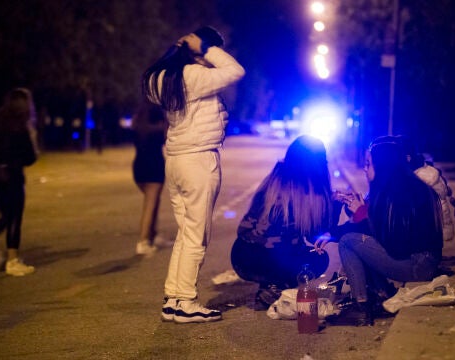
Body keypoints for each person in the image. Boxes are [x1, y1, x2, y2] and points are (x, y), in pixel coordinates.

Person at [142, 26, 245, 323]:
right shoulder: (194, 76)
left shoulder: (163, 78)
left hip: (175, 161)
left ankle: (173, 298)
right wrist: (205, 48)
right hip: (198, 161)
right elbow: (235, 70)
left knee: (185, 234)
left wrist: (191, 49)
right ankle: (186, 301)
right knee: (197, 236)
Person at [315, 140, 443, 326]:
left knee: (348, 242)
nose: (364, 170)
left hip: (418, 264)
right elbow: (378, 232)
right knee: (353, 240)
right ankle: (381, 292)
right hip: (421, 260)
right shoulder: (399, 186)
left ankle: (360, 307)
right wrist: (333, 232)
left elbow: (393, 245)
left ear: (383, 165)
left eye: (368, 164)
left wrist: (363, 214)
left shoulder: (401, 195)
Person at [230, 135, 340, 309]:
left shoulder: (275, 179)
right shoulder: (314, 190)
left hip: (242, 257)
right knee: (319, 258)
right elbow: (317, 238)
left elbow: (244, 230)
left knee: (287, 254)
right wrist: (335, 205)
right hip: (267, 258)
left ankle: (272, 286)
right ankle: (279, 285)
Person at [371, 135, 455, 242]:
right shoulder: (424, 172)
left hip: (426, 238)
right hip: (429, 234)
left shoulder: (419, 180)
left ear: (406, 158)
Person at [0, 88, 40, 276]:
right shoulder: (21, 127)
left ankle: (9, 258)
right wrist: (33, 139)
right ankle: (13, 260)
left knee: (5, 217)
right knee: (14, 218)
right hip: (14, 176)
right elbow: (29, 157)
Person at [131, 100, 174, 256]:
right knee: (150, 203)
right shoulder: (158, 127)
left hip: (138, 166)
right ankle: (143, 241)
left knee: (153, 201)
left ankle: (153, 235)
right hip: (153, 166)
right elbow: (167, 137)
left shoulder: (137, 124)